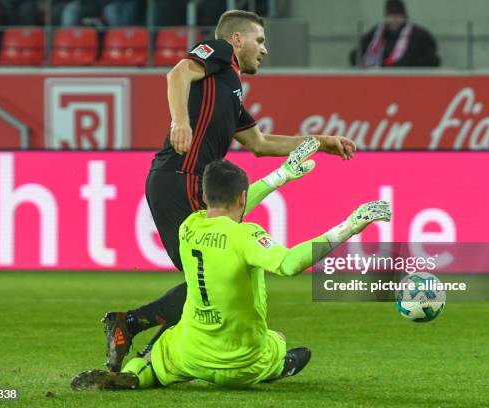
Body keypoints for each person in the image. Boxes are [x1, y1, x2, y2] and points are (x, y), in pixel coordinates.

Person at [101, 9, 357, 373]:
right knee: (212, 277)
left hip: (183, 180)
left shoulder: (230, 89)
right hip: (183, 176)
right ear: (237, 40)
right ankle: (139, 335)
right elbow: (177, 73)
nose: (265, 50)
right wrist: (180, 121)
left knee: (205, 279)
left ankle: (141, 340)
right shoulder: (218, 52)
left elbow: (261, 142)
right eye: (260, 40)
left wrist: (323, 142)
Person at [71, 149, 391, 390]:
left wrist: (281, 176)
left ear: (205, 197)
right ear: (242, 196)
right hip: (241, 364)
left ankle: (133, 377)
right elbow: (290, 263)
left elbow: (228, 209)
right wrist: (348, 227)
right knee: (278, 340)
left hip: (191, 353)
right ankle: (274, 365)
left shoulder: (189, 227)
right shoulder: (245, 235)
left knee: (158, 354)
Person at [349, 0, 440, 68]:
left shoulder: (420, 36)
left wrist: (408, 68)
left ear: (404, 16)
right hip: (379, 81)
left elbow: (433, 60)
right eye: (391, 15)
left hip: (409, 82)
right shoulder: (376, 33)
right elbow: (356, 55)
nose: (394, 19)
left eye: (397, 16)